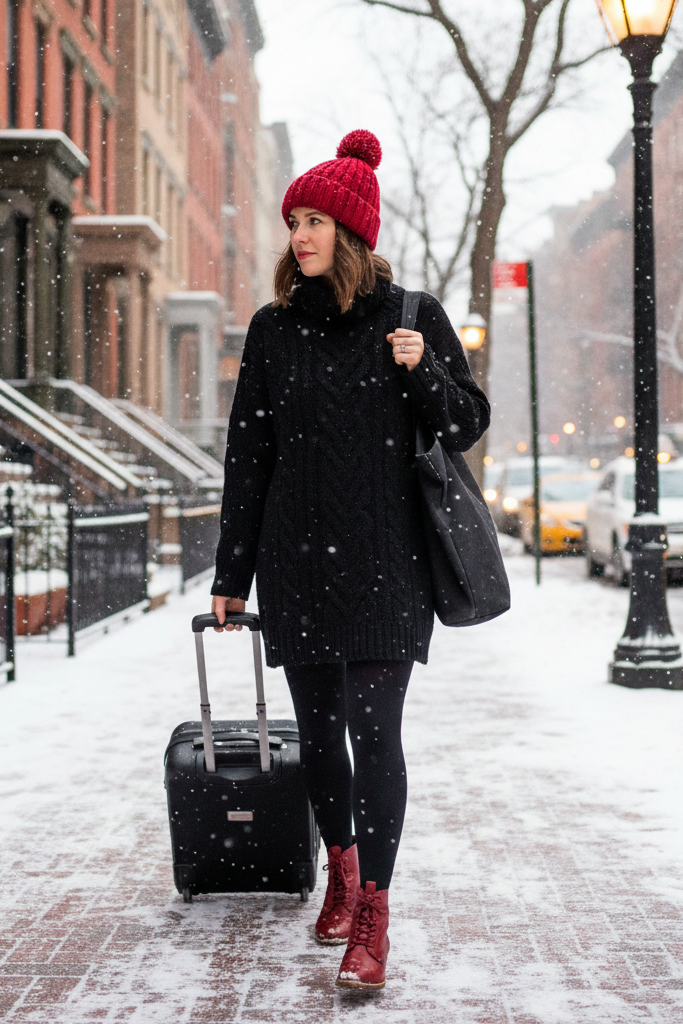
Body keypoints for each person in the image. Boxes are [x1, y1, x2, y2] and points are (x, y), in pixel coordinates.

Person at [210, 129, 489, 990]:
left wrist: (422, 375)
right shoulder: (272, 329)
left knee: (375, 733)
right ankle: (340, 864)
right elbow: (248, 457)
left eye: (317, 219)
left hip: (387, 561)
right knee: (320, 736)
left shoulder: (412, 317)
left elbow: (466, 423)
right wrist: (230, 573)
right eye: (294, 218)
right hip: (297, 561)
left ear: (353, 231)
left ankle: (374, 909)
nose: (300, 235)